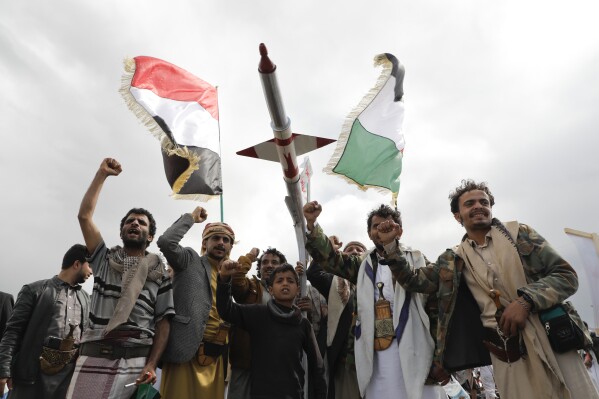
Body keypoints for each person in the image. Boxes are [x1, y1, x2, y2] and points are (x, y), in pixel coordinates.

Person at [379, 179, 599, 398]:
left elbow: (566, 276)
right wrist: (390, 246)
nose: (478, 206)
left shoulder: (520, 235)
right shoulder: (453, 258)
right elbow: (414, 281)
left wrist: (526, 301)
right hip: (506, 351)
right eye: (469, 203)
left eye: (483, 202)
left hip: (552, 338)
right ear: (458, 216)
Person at [303, 201, 446, 399]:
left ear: (400, 231)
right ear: (370, 234)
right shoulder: (362, 265)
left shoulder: (418, 261)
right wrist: (312, 225)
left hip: (416, 349)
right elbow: (331, 259)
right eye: (375, 226)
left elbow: (436, 310)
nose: (382, 229)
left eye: (387, 224)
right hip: (376, 354)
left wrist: (440, 358)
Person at [67, 158, 174, 399]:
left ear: (150, 236)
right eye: (129, 221)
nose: (135, 223)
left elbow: (163, 323)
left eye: (141, 222)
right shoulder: (104, 259)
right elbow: (84, 217)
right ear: (122, 231)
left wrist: (151, 363)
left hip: (136, 362)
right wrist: (101, 175)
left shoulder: (159, 274)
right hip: (94, 355)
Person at [158, 206, 240, 399]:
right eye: (216, 238)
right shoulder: (189, 259)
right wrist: (191, 218)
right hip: (185, 349)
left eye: (226, 240)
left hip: (217, 355)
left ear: (230, 247)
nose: (221, 243)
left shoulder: (232, 275)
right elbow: (166, 242)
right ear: (205, 243)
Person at [217, 262, 327, 399]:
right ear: (270, 289)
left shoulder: (303, 324)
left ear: (298, 289)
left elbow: (318, 366)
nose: (285, 284)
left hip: (293, 394)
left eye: (290, 281)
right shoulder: (257, 314)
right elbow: (226, 310)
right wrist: (224, 279)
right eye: (279, 281)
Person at [0, 244, 92, 398]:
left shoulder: (86, 299)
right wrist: (3, 369)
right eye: (90, 266)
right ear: (77, 264)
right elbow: (13, 332)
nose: (91, 272)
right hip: (31, 378)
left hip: (67, 380)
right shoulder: (34, 290)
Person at [306, 239, 365, 399]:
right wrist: (328, 250)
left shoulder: (378, 283)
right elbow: (313, 274)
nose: (354, 251)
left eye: (360, 250)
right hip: (346, 362)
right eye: (350, 249)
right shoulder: (335, 282)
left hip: (377, 359)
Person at [227, 247, 287, 399]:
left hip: (276, 364)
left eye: (275, 262)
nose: (269, 265)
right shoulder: (252, 286)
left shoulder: (289, 293)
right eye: (265, 262)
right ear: (259, 268)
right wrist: (249, 257)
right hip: (246, 361)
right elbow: (236, 280)